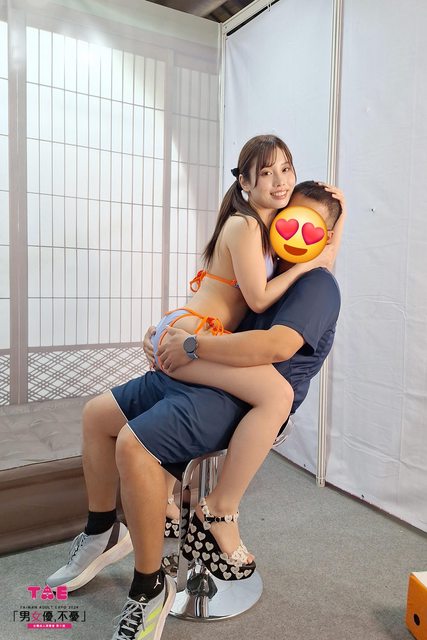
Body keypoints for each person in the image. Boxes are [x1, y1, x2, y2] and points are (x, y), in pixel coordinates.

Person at [46, 171, 344, 640]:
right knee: (97, 416)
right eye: (289, 219)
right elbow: (217, 305)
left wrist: (189, 346)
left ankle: (150, 587)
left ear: (323, 237)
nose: (295, 232)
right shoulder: (267, 266)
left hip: (238, 398)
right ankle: (103, 529)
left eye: (311, 227)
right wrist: (171, 331)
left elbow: (275, 347)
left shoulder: (317, 287)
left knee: (134, 445)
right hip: (206, 372)